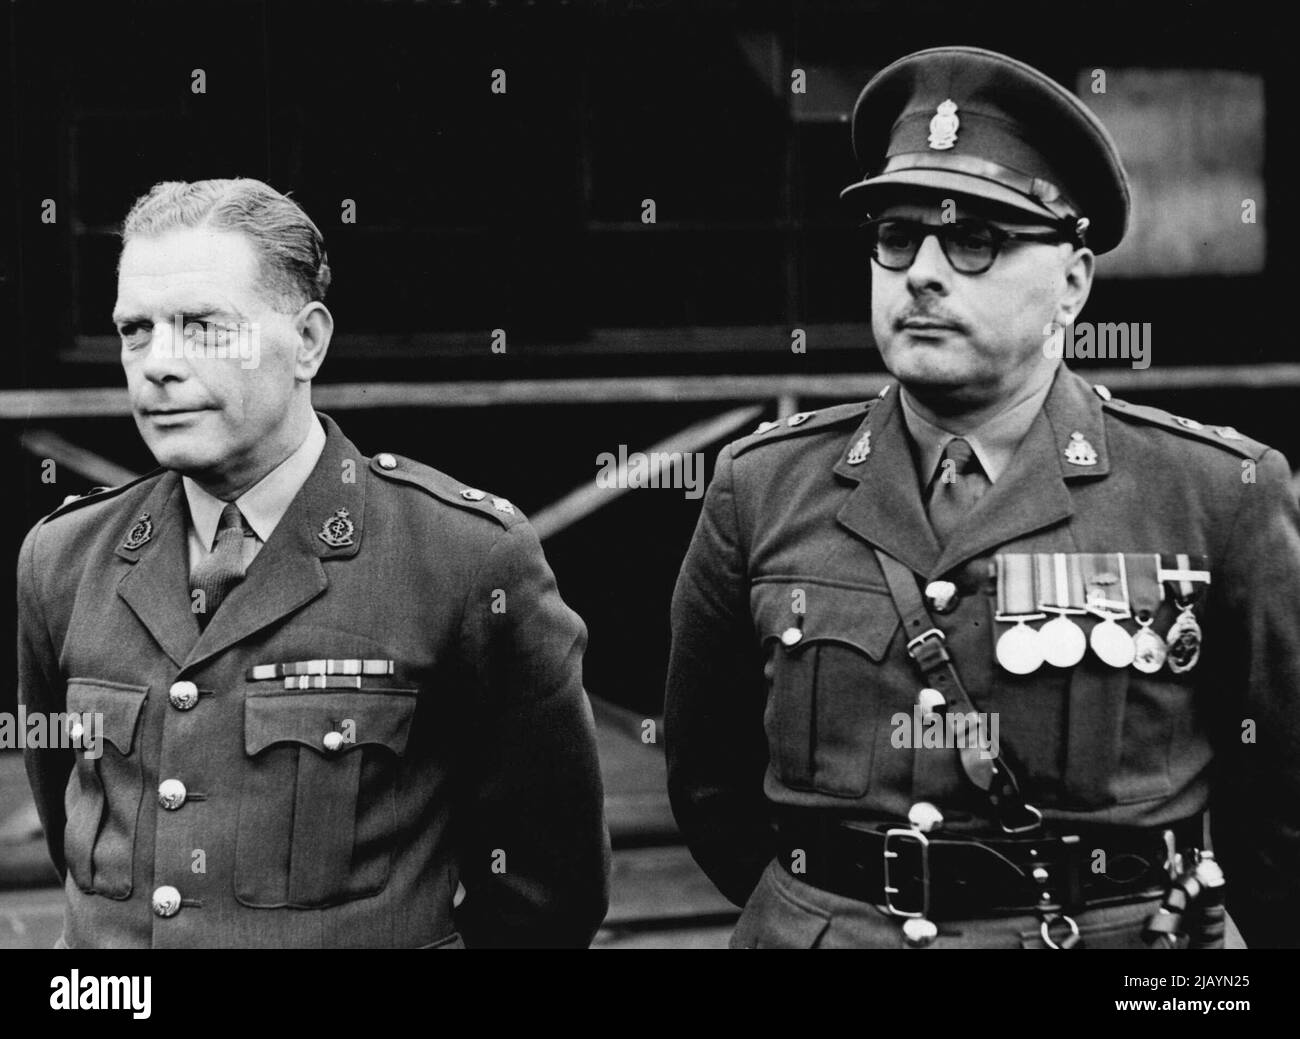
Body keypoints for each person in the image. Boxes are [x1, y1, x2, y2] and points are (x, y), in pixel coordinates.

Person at [665, 46, 1300, 949]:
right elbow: (709, 784)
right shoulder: (760, 488)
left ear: (1074, 283)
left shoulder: (1212, 495)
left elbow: (1283, 811)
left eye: (974, 240)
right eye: (896, 236)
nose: (922, 271)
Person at [18, 178, 610, 948]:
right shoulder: (65, 557)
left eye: (202, 326)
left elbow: (548, 888)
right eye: (136, 330)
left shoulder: (460, 560)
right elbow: (67, 810)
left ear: (308, 342)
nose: (157, 364)